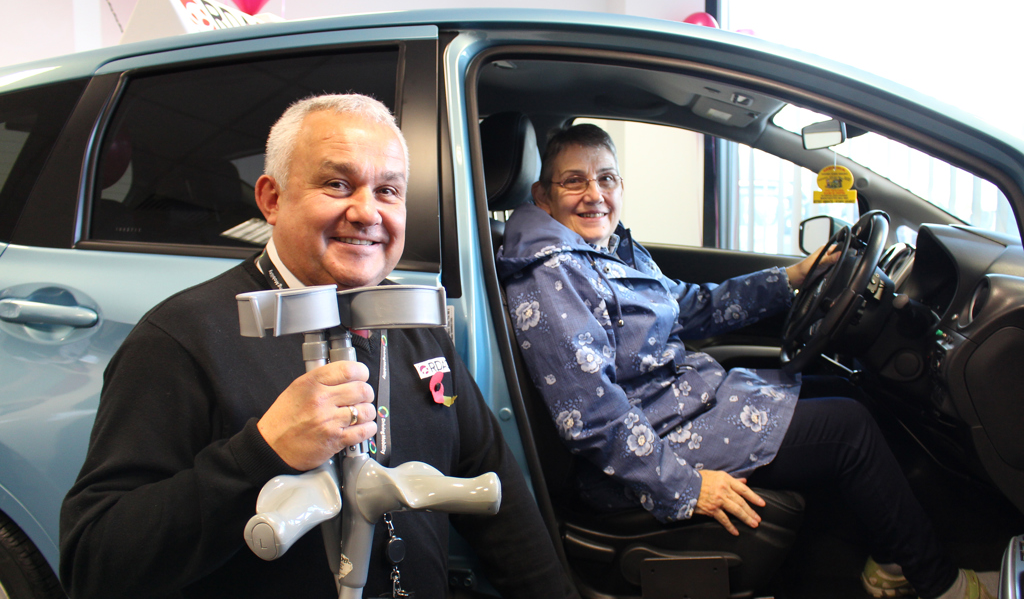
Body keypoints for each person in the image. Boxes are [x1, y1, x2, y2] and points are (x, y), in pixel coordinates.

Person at [59, 94, 577, 599]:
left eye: (388, 191)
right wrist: (260, 453)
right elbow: (93, 564)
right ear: (272, 199)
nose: (367, 212)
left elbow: (505, 511)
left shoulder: (415, 324)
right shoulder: (182, 337)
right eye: (337, 184)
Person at [495, 123, 995, 599]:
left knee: (846, 391)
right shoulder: (552, 273)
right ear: (543, 197)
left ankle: (888, 555)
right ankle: (940, 582)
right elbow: (591, 415)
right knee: (849, 426)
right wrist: (685, 485)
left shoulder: (607, 249)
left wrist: (793, 277)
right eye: (574, 182)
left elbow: (690, 308)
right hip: (655, 439)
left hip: (685, 404)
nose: (594, 194)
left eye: (606, 179)